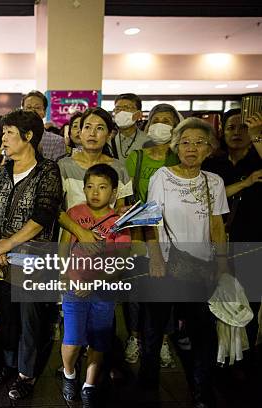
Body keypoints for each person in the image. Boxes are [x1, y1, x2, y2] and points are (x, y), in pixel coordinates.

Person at [145, 117, 229, 407]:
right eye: (185, 142)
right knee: (154, 331)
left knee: (202, 333)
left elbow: (217, 225)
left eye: (199, 143)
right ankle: (148, 389)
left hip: (200, 267)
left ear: (209, 148)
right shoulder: (162, 177)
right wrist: (155, 257)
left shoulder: (214, 181)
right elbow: (150, 221)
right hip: (166, 265)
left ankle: (201, 390)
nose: (191, 148)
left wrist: (221, 263)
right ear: (175, 147)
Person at [0, 109, 62, 400]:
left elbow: (44, 215)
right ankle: (10, 364)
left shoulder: (47, 170)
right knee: (7, 317)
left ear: (28, 137)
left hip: (34, 259)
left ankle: (26, 374)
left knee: (32, 319)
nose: (2, 138)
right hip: (1, 258)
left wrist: (9, 243)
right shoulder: (0, 171)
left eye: (8, 133)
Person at [59, 164, 131, 408]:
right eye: (90, 187)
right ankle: (69, 373)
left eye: (102, 187)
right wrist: (63, 273)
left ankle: (89, 384)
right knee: (72, 340)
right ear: (83, 188)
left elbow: (120, 261)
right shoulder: (75, 212)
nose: (95, 192)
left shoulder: (119, 221)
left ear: (113, 192)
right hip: (74, 289)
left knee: (98, 341)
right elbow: (64, 246)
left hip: (103, 291)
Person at [123, 103, 182, 368]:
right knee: (137, 289)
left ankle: (163, 341)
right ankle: (135, 338)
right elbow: (129, 197)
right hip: (139, 231)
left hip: (172, 234)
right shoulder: (136, 157)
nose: (161, 124)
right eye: (156, 119)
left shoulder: (180, 157)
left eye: (167, 120)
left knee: (165, 290)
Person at [202, 109, 262, 362]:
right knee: (214, 299)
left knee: (249, 300)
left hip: (252, 240)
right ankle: (216, 355)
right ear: (222, 132)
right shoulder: (213, 163)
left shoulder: (258, 158)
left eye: (243, 128)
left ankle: (243, 357)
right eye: (230, 128)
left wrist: (259, 137)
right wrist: (245, 183)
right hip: (216, 241)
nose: (237, 133)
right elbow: (206, 197)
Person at [58, 107, 132, 239]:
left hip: (106, 242)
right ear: (80, 133)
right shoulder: (63, 165)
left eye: (99, 128)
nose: (92, 133)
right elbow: (55, 209)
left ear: (109, 135)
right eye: (87, 127)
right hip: (71, 238)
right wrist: (81, 232)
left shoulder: (119, 168)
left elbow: (118, 210)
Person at [22, 90, 66, 161]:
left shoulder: (57, 141)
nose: (33, 111)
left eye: (37, 108)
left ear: (44, 112)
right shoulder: (15, 138)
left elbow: (58, 170)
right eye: (29, 107)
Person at [111, 93, 150, 162]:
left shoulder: (148, 141)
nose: (121, 112)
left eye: (127, 108)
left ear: (138, 114)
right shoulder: (108, 141)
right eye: (117, 109)